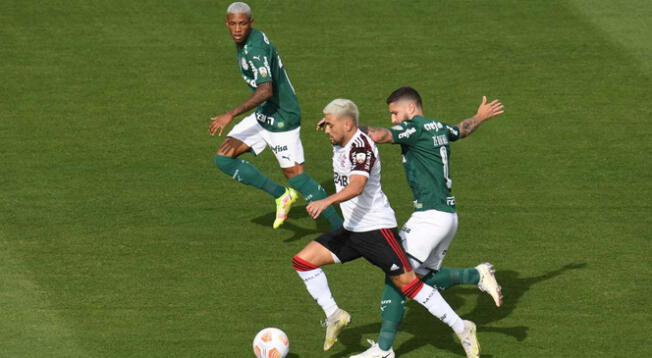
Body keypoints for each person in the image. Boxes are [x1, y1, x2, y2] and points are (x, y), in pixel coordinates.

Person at [293, 99, 480, 357]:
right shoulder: (342, 140)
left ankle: (461, 327)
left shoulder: (361, 148)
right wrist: (330, 121)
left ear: (347, 124)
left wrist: (326, 201)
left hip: (376, 231)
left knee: (409, 285)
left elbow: (357, 185)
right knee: (303, 261)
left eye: (330, 125)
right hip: (352, 229)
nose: (325, 130)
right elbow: (356, 127)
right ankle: (334, 314)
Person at [346, 87, 504, 357]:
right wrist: (480, 116)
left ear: (411, 108)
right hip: (447, 217)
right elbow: (462, 129)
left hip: (429, 216)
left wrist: (347, 128)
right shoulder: (438, 127)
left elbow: (381, 135)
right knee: (421, 279)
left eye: (395, 113)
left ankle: (384, 351)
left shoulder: (415, 127)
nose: (395, 119)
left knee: (396, 275)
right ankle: (477, 274)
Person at [209, 2, 342, 230]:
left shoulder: (255, 49)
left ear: (251, 23)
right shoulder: (250, 41)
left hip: (282, 118)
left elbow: (265, 90)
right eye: (233, 24)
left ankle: (343, 230)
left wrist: (229, 114)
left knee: (297, 177)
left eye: (242, 24)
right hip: (264, 114)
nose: (238, 29)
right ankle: (282, 195)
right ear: (226, 24)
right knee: (223, 157)